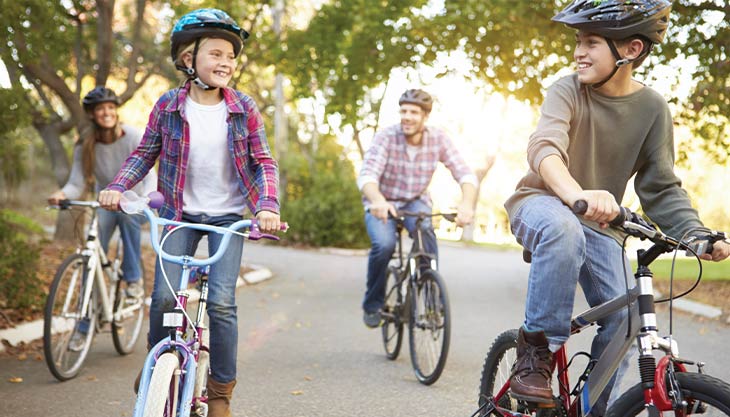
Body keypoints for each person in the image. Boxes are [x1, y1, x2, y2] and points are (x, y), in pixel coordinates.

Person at [503, 1, 730, 415]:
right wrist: (576, 195)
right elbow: (545, 149)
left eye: (591, 42)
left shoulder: (653, 109)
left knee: (627, 320)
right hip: (541, 203)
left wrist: (696, 233)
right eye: (578, 41)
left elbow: (660, 186)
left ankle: (590, 409)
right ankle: (534, 355)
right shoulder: (566, 89)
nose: (578, 52)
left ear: (630, 50)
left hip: (601, 224)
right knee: (563, 228)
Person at [98, 8, 281, 417]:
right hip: (179, 213)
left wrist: (267, 207)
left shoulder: (244, 107)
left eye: (231, 57)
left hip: (230, 217)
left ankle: (219, 393)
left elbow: (263, 162)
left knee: (220, 303)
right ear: (188, 60)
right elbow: (145, 154)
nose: (227, 64)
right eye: (216, 54)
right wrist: (116, 187)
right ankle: (155, 367)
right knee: (164, 296)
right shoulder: (167, 105)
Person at [357, 88, 478, 328]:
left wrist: (466, 204)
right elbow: (367, 176)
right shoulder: (386, 137)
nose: (407, 117)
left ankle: (431, 300)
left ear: (425, 117)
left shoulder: (438, 138)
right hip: (384, 202)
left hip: (416, 200)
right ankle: (373, 303)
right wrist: (378, 200)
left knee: (425, 234)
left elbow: (465, 174)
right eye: (403, 111)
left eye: (413, 112)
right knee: (384, 245)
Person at [48, 86, 157, 300]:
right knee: (94, 244)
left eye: (110, 107)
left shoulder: (133, 136)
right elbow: (76, 183)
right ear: (91, 114)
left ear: (116, 111)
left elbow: (149, 174)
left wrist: (148, 197)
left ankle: (134, 280)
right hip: (105, 204)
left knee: (126, 217)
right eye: (100, 109)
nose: (107, 112)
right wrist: (62, 194)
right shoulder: (85, 145)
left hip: (134, 202)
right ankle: (89, 302)